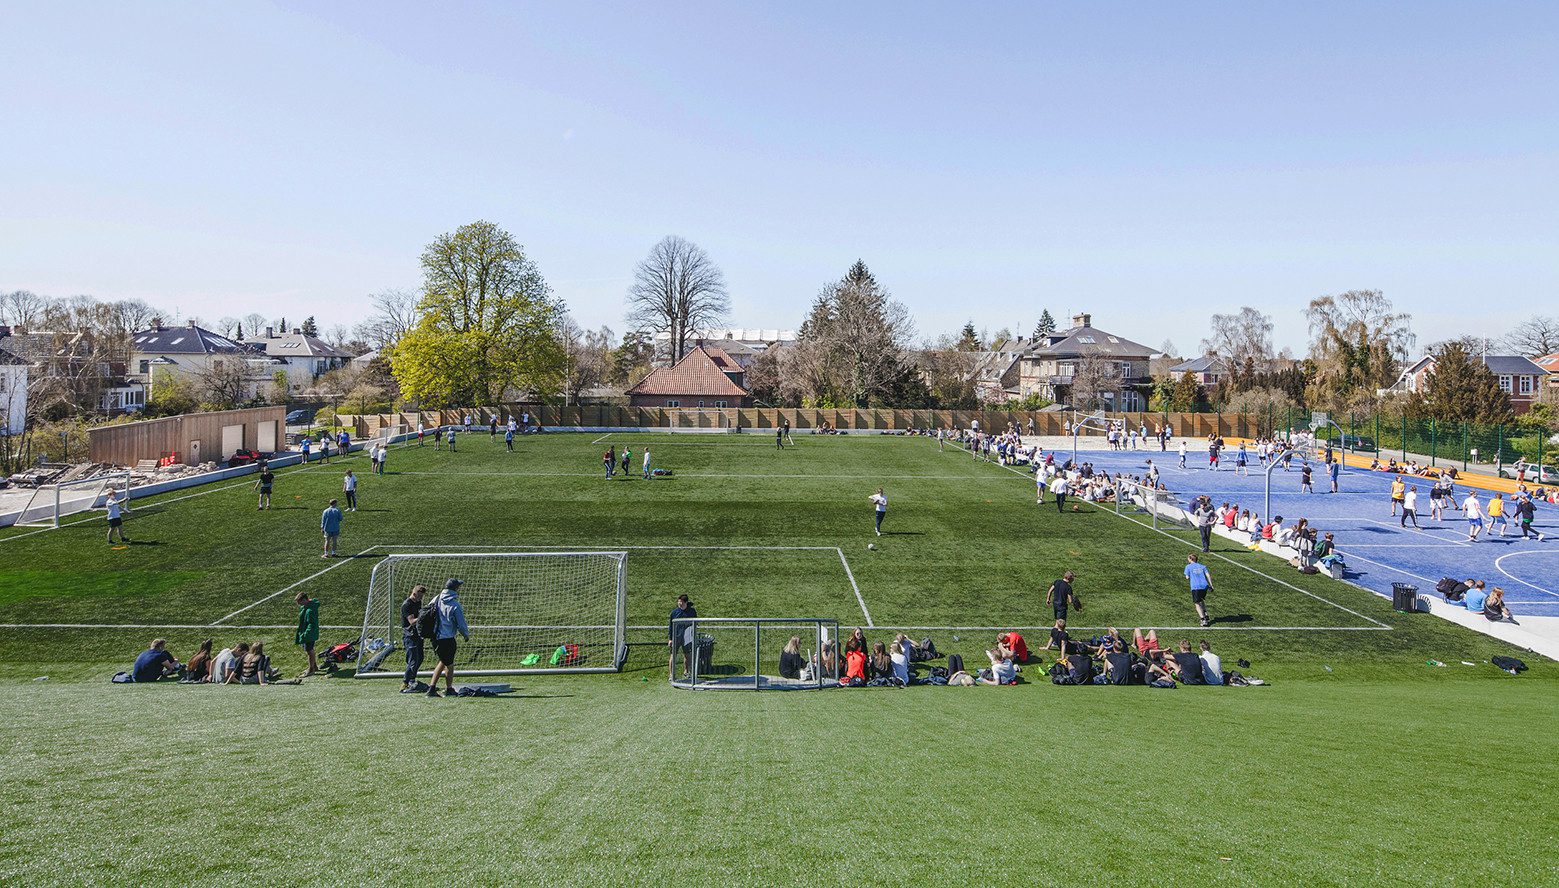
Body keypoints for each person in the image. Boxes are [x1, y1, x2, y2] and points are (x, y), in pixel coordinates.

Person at [426, 578, 470, 697]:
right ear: (455, 589)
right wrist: (466, 635)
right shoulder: (454, 604)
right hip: (447, 638)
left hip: (435, 638)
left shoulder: (436, 599)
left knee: (443, 661)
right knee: (449, 664)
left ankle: (432, 688)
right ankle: (448, 689)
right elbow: (461, 624)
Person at [401, 583, 427, 691]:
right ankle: (405, 683)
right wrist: (424, 615)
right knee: (413, 660)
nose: (421, 599)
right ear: (414, 594)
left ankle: (412, 679)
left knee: (420, 658)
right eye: (419, 596)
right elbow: (411, 621)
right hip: (409, 635)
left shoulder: (418, 602)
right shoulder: (407, 605)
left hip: (417, 634)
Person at [668, 593, 696, 680]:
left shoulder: (692, 611)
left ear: (686, 602)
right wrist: (670, 639)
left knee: (687, 655)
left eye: (682, 602)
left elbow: (695, 624)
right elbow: (670, 626)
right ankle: (671, 675)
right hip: (676, 637)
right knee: (673, 655)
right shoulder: (674, 612)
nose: (680, 604)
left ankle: (686, 672)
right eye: (679, 602)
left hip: (687, 637)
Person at [295, 591, 321, 676]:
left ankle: (311, 669)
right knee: (309, 649)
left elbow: (311, 624)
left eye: (300, 602)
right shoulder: (307, 606)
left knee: (309, 651)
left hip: (309, 634)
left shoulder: (310, 610)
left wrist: (306, 634)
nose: (299, 604)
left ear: (305, 600)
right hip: (307, 632)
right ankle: (314, 666)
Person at [1184, 553, 1212, 627]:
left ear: (1191, 559)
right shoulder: (1202, 566)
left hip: (1196, 587)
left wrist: (1189, 576)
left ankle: (1203, 619)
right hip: (1205, 586)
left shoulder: (1188, 566)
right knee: (1201, 599)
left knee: (1197, 603)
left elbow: (1187, 577)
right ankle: (1205, 612)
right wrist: (1211, 585)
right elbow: (1208, 575)